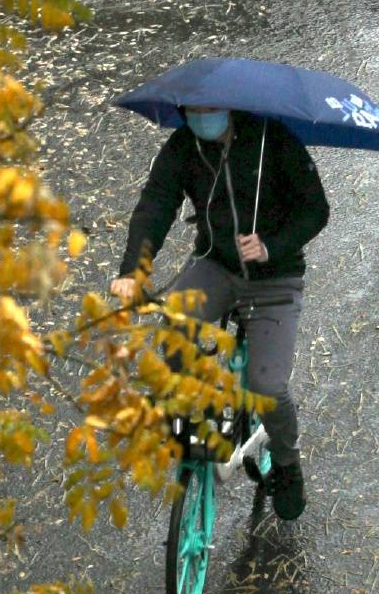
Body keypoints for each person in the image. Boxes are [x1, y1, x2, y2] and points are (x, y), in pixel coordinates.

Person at [110, 106, 329, 521]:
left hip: (274, 278)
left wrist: (271, 246)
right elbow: (155, 205)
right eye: (191, 112)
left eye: (209, 111)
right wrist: (133, 271)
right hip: (216, 264)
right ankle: (195, 418)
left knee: (267, 385)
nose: (200, 118)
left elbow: (316, 210)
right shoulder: (183, 147)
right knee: (173, 332)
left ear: (230, 108)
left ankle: (286, 461)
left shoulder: (274, 140)